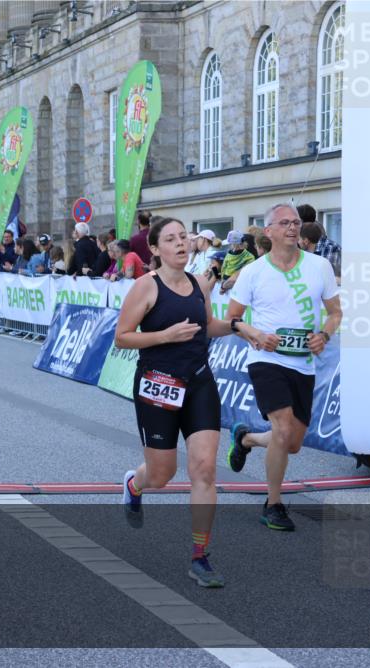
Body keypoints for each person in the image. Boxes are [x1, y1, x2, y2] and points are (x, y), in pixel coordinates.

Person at [115, 217, 233, 587]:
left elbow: (208, 326)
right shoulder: (144, 287)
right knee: (162, 475)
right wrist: (165, 336)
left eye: (184, 236)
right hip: (158, 385)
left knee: (204, 469)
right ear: (155, 249)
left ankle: (200, 556)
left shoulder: (200, 284)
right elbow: (122, 337)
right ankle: (135, 485)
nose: (181, 243)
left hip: (199, 382)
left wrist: (239, 327)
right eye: (171, 239)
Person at [225, 203, 342, 531]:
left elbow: (335, 312)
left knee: (291, 442)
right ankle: (273, 504)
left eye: (296, 222)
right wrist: (255, 333)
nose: (293, 227)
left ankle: (246, 439)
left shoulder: (319, 267)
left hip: (303, 364)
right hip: (266, 360)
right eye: (285, 223)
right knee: (283, 429)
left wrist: (324, 334)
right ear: (269, 231)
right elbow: (231, 319)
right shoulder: (253, 272)